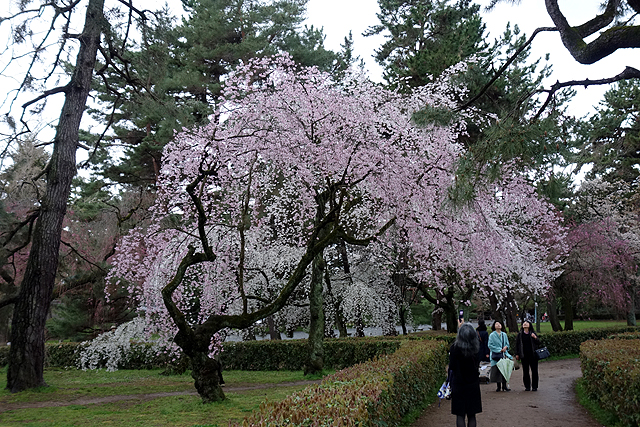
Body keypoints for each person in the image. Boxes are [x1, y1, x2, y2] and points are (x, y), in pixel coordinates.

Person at [449, 321, 482, 427]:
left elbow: (452, 366)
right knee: (472, 415)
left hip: (458, 383)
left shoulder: (454, 348)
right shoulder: (476, 348)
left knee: (460, 414)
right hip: (473, 383)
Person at [515, 320, 540, 391]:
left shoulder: (532, 333)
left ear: (529, 325)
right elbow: (517, 344)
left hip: (533, 355)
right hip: (524, 355)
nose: (525, 324)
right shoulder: (520, 334)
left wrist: (535, 337)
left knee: (534, 371)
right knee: (525, 371)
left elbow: (539, 342)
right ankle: (527, 386)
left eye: (527, 323)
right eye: (524, 323)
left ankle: (534, 386)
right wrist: (517, 353)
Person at [488, 320, 512, 392]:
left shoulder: (504, 334)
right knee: (497, 370)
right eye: (496, 324)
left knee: (504, 369)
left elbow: (507, 344)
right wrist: (499, 349)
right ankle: (498, 386)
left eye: (499, 324)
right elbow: (490, 345)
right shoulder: (492, 335)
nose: (498, 325)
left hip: (503, 354)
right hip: (496, 355)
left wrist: (505, 347)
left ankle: (504, 386)